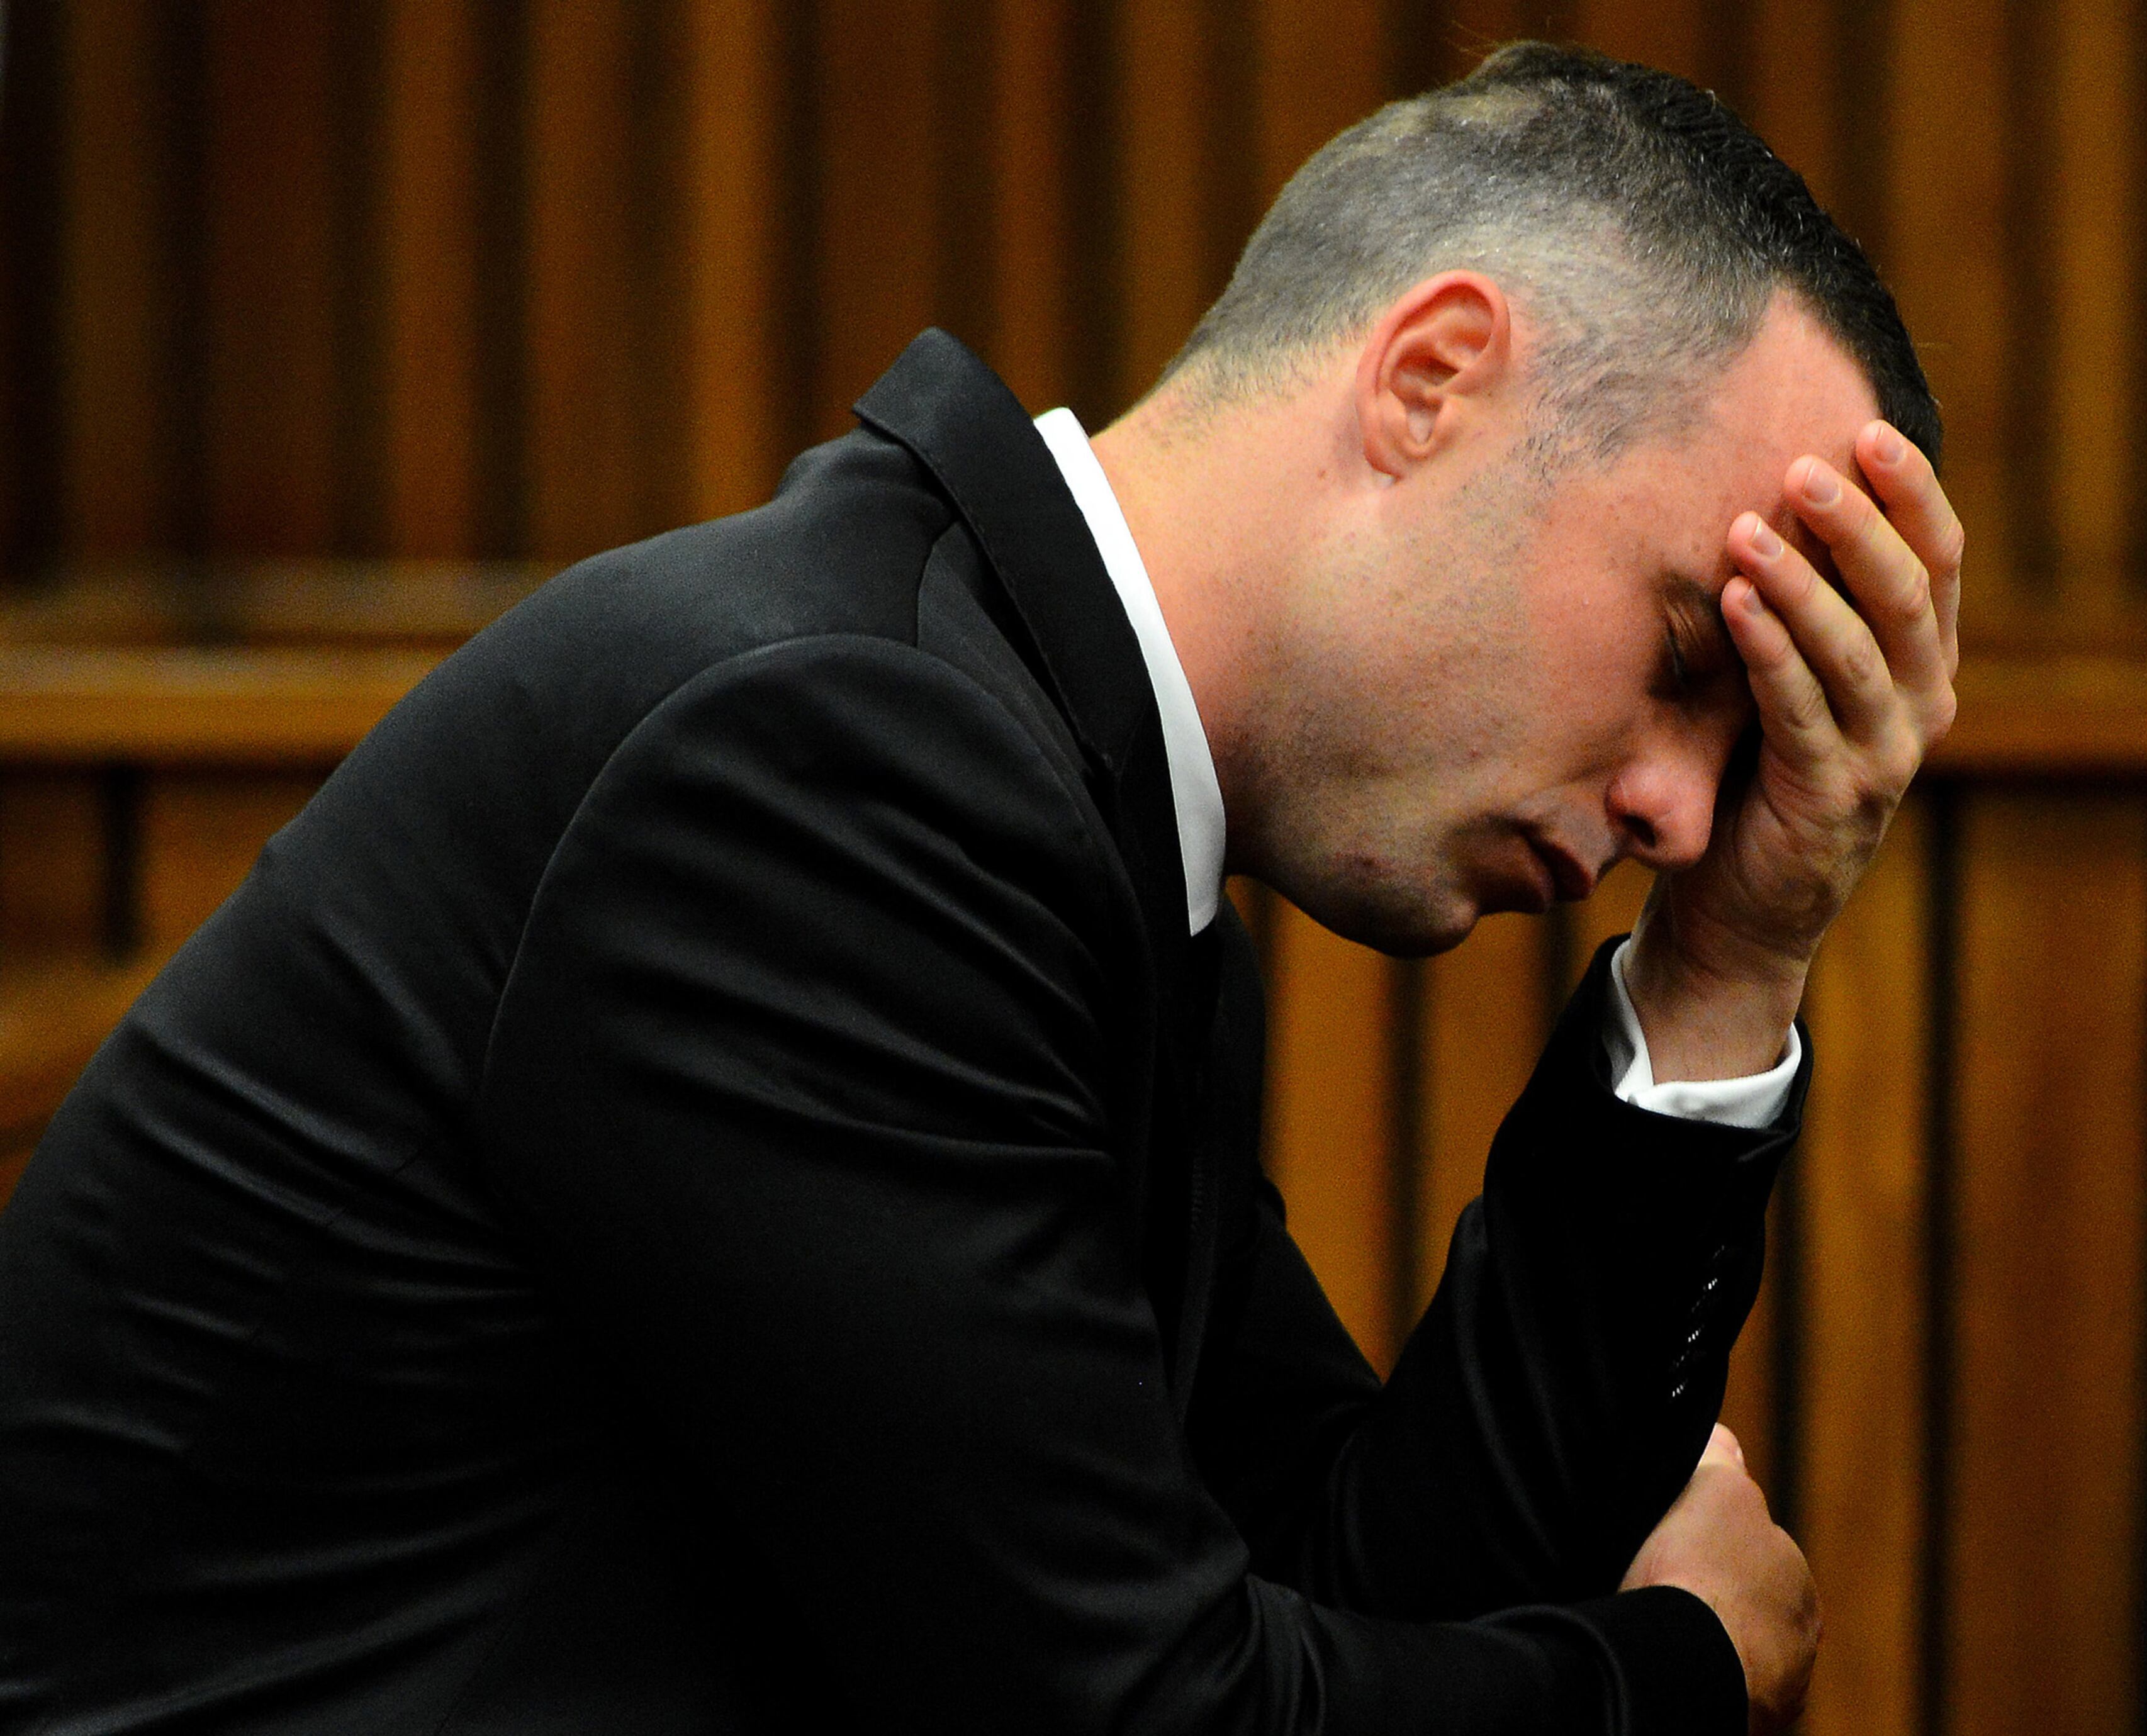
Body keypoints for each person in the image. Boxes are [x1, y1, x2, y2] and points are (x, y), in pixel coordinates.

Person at [0, 44, 1958, 1735]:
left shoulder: (1055, 792)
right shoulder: (830, 769)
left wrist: (1731, 964)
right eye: (1687, 658)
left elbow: (1355, 1578)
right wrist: (1677, 1674)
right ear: (1431, 380)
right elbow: (1135, 1710)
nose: (1677, 812)